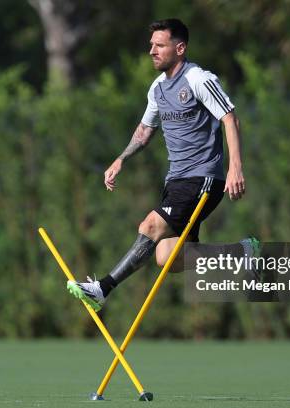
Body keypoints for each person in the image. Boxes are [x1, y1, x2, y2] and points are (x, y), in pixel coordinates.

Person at [68, 18, 258, 311]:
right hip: (176, 181)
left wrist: (235, 168)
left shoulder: (199, 79)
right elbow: (144, 131)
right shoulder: (157, 88)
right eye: (151, 45)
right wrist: (120, 159)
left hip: (203, 178)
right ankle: (240, 253)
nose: (152, 51)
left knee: (150, 225)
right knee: (169, 256)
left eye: (160, 45)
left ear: (179, 48)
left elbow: (230, 118)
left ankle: (102, 288)